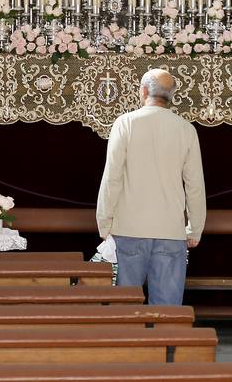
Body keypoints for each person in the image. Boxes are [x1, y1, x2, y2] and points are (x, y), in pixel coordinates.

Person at [95, 68, 207, 306]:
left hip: (129, 230)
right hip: (170, 232)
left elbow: (112, 177)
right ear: (171, 96)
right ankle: (165, 344)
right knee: (167, 313)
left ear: (143, 91)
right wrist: (194, 229)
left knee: (125, 311)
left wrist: (104, 223)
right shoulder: (187, 130)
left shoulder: (125, 123)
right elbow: (195, 186)